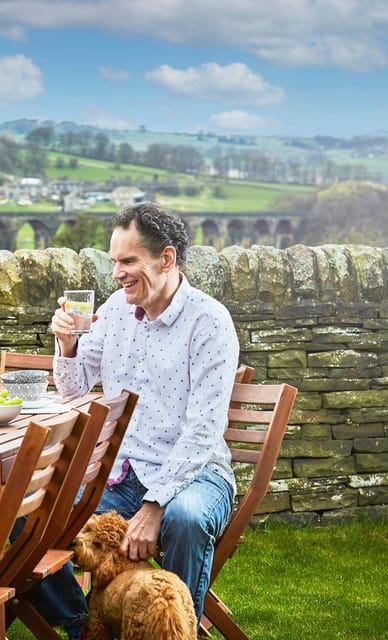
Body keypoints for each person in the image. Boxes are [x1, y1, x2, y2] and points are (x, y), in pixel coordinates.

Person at [40, 202, 240, 636]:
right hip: (120, 474)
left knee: (184, 520)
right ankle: (85, 626)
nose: (117, 273)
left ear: (165, 259)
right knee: (32, 517)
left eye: (128, 261)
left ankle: (173, 631)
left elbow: (204, 429)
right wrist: (67, 343)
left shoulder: (209, 322)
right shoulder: (113, 311)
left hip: (196, 474)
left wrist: (155, 505)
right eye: (115, 261)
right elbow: (74, 388)